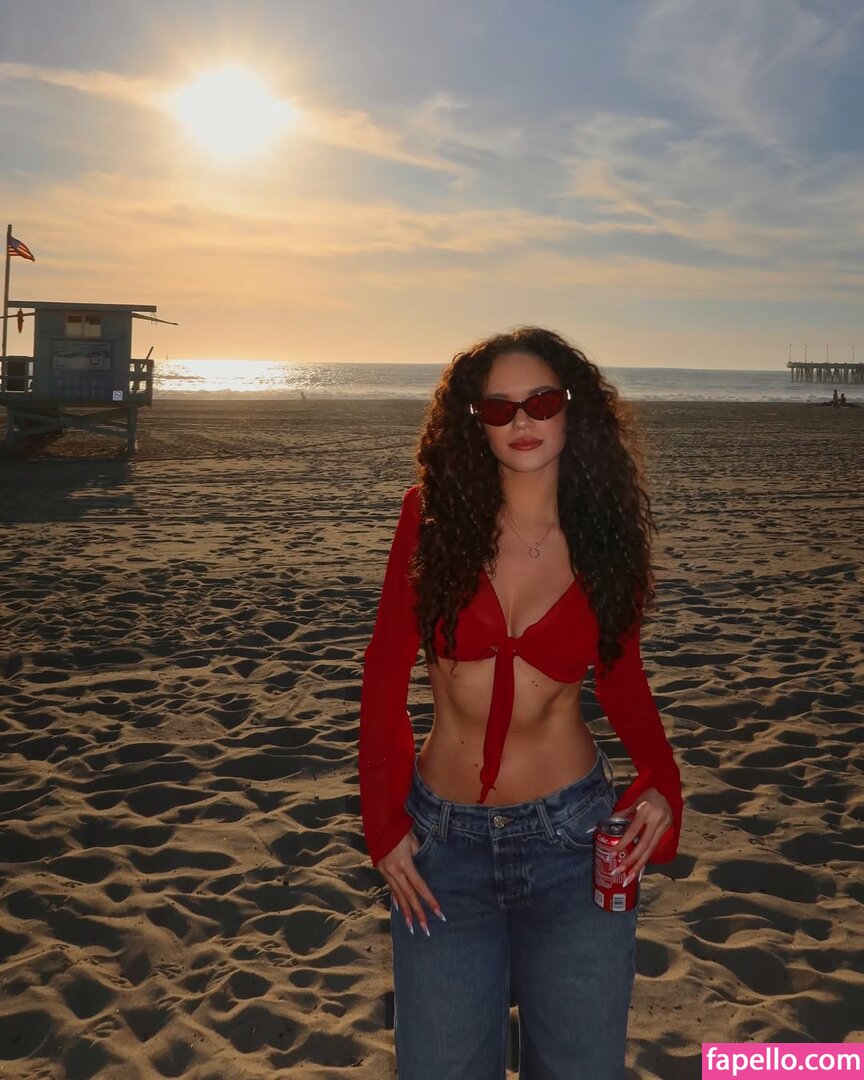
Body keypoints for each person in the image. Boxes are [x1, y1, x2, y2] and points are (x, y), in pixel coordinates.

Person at [358, 327, 683, 1080]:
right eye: (499, 409)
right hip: (441, 851)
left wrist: (662, 782)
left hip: (574, 843)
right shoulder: (429, 519)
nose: (523, 421)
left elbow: (623, 680)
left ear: (573, 408)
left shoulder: (606, 535)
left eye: (540, 401)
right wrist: (385, 826)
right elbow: (384, 673)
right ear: (475, 423)